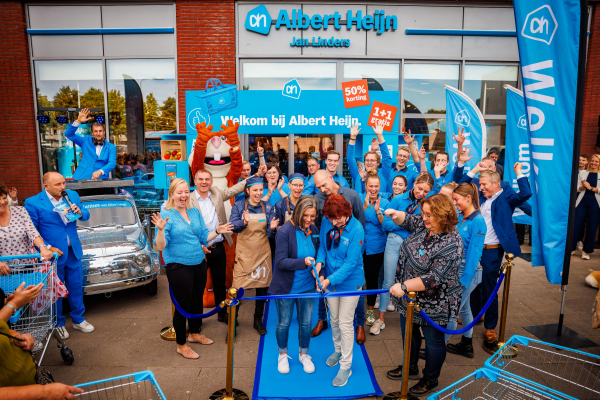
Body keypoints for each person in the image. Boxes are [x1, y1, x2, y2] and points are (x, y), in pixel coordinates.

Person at [385, 194, 463, 396]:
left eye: (429, 215)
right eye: (424, 213)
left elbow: (433, 278)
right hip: (410, 299)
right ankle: (410, 366)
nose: (425, 218)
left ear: (443, 216)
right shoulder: (426, 223)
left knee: (433, 342)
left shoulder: (452, 243)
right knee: (408, 334)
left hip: (435, 303)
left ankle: (430, 378)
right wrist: (395, 214)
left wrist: (403, 285)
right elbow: (409, 220)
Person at [153, 178, 234, 359]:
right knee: (182, 305)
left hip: (199, 263)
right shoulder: (166, 214)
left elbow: (205, 236)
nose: (183, 196)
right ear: (172, 194)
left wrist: (218, 231)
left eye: (186, 192)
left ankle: (194, 333)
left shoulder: (194, 211)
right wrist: (159, 230)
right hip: (179, 266)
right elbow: (160, 246)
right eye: (179, 192)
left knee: (197, 301)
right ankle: (181, 344)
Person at [455, 164, 531, 353]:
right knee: (472, 286)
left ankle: (490, 328)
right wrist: (474, 169)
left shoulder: (506, 197)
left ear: (496, 184)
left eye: (484, 184)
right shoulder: (480, 197)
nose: (481, 188)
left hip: (491, 251)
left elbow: (526, 194)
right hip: (473, 248)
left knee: (489, 288)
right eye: (480, 185)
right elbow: (460, 184)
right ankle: (473, 318)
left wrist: (519, 172)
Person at [190, 167, 264, 323]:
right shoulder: (188, 199)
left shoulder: (216, 193)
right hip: (198, 249)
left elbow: (234, 190)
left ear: (211, 181)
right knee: (197, 286)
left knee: (219, 283)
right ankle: (196, 322)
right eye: (200, 179)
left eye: (207, 179)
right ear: (195, 181)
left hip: (217, 247)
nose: (204, 182)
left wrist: (254, 176)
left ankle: (221, 313)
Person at [24, 172, 93, 339]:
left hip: (73, 250)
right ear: (46, 186)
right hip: (53, 254)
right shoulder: (33, 202)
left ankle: (78, 319)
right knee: (55, 291)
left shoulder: (72, 195)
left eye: (63, 183)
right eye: (58, 184)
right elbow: (31, 231)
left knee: (76, 286)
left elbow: (86, 215)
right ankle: (58, 323)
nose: (63, 187)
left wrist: (80, 212)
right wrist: (47, 247)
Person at [374, 172, 434, 334]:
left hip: (416, 246)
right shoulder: (399, 199)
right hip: (394, 242)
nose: (421, 193)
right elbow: (386, 224)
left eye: (426, 192)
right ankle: (380, 319)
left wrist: (403, 221)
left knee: (414, 283)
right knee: (388, 281)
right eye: (419, 188)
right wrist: (407, 224)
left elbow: (426, 227)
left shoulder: (428, 204)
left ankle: (414, 320)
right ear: (414, 184)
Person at [315, 194, 365, 387]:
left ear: (347, 213)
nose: (334, 223)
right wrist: (320, 264)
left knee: (345, 322)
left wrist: (328, 280)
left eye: (337, 219)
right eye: (330, 219)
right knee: (333, 318)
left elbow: (351, 263)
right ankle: (338, 349)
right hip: (329, 279)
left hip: (350, 282)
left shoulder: (356, 229)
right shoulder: (328, 223)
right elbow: (322, 247)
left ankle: (346, 365)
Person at [311, 170, 367, 343]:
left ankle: (360, 325)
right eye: (318, 187)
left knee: (348, 312)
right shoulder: (323, 207)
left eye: (323, 185)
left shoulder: (352, 196)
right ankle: (323, 321)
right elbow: (323, 239)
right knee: (333, 314)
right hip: (330, 261)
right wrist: (320, 262)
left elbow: (360, 223)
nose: (322, 189)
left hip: (349, 260)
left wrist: (349, 239)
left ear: (331, 177)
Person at [270, 196, 320, 375]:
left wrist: (318, 265)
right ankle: (282, 354)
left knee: (306, 323)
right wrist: (303, 262)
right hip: (286, 287)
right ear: (298, 212)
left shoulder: (314, 229)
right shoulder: (285, 232)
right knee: (283, 323)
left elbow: (319, 251)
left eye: (312, 216)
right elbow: (281, 262)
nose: (308, 220)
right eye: (306, 215)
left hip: (307, 286)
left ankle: (304, 354)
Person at [230, 177, 279, 336]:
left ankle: (258, 319)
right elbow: (233, 227)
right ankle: (233, 321)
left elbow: (271, 234)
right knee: (236, 288)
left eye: (260, 190)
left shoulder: (268, 207)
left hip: (262, 253)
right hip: (244, 254)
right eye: (255, 190)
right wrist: (243, 222)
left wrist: (272, 229)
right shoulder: (238, 206)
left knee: (262, 289)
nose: (258, 193)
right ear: (248, 191)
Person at [445, 183, 486, 358]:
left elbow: (473, 255)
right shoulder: (463, 217)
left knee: (452, 311)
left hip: (468, 272)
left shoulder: (478, 221)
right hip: (460, 269)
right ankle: (467, 344)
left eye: (457, 199)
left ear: (468, 198)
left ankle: (438, 346)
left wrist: (463, 280)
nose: (454, 203)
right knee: (465, 308)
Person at [0, 184, 56, 274]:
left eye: (4, 198)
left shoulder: (20, 211)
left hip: (26, 266)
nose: (2, 202)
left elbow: (32, 232)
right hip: (2, 270)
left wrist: (43, 247)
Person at [360, 171, 390, 331]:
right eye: (370, 186)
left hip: (376, 247)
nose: (373, 189)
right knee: (357, 279)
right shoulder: (359, 199)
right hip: (358, 246)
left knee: (371, 280)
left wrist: (378, 210)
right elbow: (356, 222)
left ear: (380, 187)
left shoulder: (385, 202)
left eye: (376, 186)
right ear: (365, 186)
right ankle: (355, 310)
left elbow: (386, 224)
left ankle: (370, 311)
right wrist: (364, 206)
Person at [64, 108, 117, 180]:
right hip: (82, 177)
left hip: (101, 180)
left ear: (104, 132)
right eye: (95, 131)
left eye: (100, 131)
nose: (98, 134)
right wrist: (78, 121)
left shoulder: (111, 147)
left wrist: (100, 171)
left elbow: (112, 163)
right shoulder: (85, 141)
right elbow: (68, 134)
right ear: (92, 133)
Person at [347, 121, 392, 195]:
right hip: (360, 206)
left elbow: (387, 159)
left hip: (379, 205)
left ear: (378, 163)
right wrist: (353, 138)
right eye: (367, 160)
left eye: (372, 160)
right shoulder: (358, 174)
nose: (369, 162)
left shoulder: (383, 174)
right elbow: (350, 158)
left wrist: (380, 136)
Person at [572, 154, 600, 260]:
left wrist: (591, 188)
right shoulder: (583, 173)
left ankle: (586, 251)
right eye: (592, 161)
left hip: (596, 204)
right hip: (581, 203)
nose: (593, 163)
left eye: (596, 161)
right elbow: (577, 189)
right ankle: (571, 248)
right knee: (576, 225)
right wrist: (583, 186)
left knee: (592, 227)